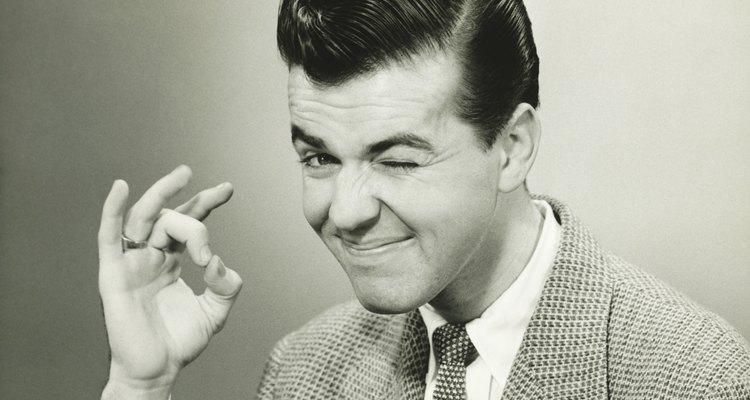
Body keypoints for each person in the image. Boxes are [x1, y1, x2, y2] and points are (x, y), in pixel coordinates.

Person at [98, 0, 750, 399]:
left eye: (399, 160)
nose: (346, 211)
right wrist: (139, 386)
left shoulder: (696, 380)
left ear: (513, 146)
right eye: (319, 156)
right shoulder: (305, 373)